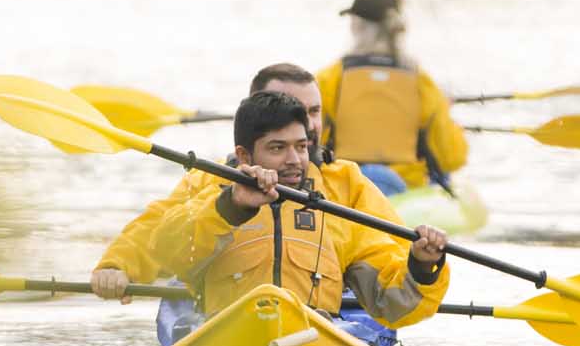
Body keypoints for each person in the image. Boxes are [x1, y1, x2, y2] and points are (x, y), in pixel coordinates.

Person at [91, 62, 414, 302]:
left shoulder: (346, 182)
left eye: (314, 111)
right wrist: (119, 266)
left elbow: (395, 257)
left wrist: (424, 266)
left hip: (321, 315)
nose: (307, 123)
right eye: (295, 110)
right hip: (233, 314)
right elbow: (156, 231)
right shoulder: (210, 177)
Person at [149, 90, 448, 330]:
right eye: (277, 148)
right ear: (244, 154)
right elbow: (167, 253)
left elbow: (390, 304)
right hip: (228, 334)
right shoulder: (214, 199)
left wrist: (422, 266)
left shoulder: (335, 214)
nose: (294, 159)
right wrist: (232, 206)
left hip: (313, 338)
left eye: (301, 147)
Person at [316, 0, 467, 197]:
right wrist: (450, 118)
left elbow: (311, 142)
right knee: (443, 175)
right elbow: (451, 157)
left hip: (347, 184)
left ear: (356, 26)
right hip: (404, 190)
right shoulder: (422, 83)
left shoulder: (330, 79)